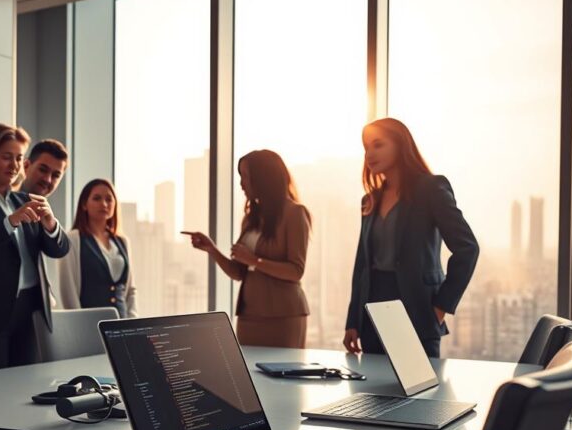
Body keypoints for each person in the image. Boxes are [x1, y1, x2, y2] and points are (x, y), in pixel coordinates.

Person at [343, 117, 479, 358]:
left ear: (400, 145)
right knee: (373, 381)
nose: (369, 154)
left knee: (418, 382)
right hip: (372, 312)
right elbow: (362, 264)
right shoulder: (370, 201)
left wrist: (440, 307)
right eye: (366, 148)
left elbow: (467, 248)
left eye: (378, 145)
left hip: (417, 310)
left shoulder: (431, 189)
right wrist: (353, 320)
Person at [0, 124, 70, 372]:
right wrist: (9, 222)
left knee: (27, 385)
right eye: (6, 157)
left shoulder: (26, 200)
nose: (14, 165)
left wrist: (51, 223)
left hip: (29, 312)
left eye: (19, 158)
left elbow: (59, 250)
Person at [184, 150, 311, 348]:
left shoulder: (294, 213)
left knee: (282, 368)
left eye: (245, 176)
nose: (241, 183)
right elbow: (238, 272)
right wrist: (211, 249)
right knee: (247, 367)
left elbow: (296, 271)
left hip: (284, 316)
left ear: (263, 178)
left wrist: (254, 260)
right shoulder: (250, 219)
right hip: (249, 315)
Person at [57, 179, 137, 318]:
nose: (104, 204)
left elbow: (130, 290)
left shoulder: (122, 241)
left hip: (122, 322)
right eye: (97, 198)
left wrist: (132, 321)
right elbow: (68, 290)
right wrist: (80, 324)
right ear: (84, 204)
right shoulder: (73, 239)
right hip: (90, 323)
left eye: (109, 199)